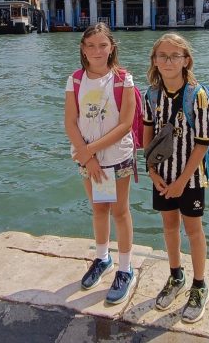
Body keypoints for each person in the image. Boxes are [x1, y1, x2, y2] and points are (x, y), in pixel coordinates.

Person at [64, 23, 138, 304]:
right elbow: (70, 121)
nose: (97, 51)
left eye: (103, 45)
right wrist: (88, 156)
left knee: (119, 211)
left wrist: (89, 152)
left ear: (112, 48)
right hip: (88, 158)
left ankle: (125, 268)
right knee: (98, 209)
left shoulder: (122, 79)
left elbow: (125, 125)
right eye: (91, 45)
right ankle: (102, 258)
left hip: (117, 157)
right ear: (83, 49)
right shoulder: (75, 81)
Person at [143, 33, 209, 323]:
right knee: (169, 227)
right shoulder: (151, 95)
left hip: (191, 178)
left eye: (175, 56)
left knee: (194, 230)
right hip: (162, 176)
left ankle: (200, 285)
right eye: (163, 56)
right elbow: (147, 133)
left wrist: (182, 180)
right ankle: (176, 276)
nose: (168, 61)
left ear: (186, 60)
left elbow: (203, 142)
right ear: (155, 61)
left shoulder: (198, 95)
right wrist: (150, 170)